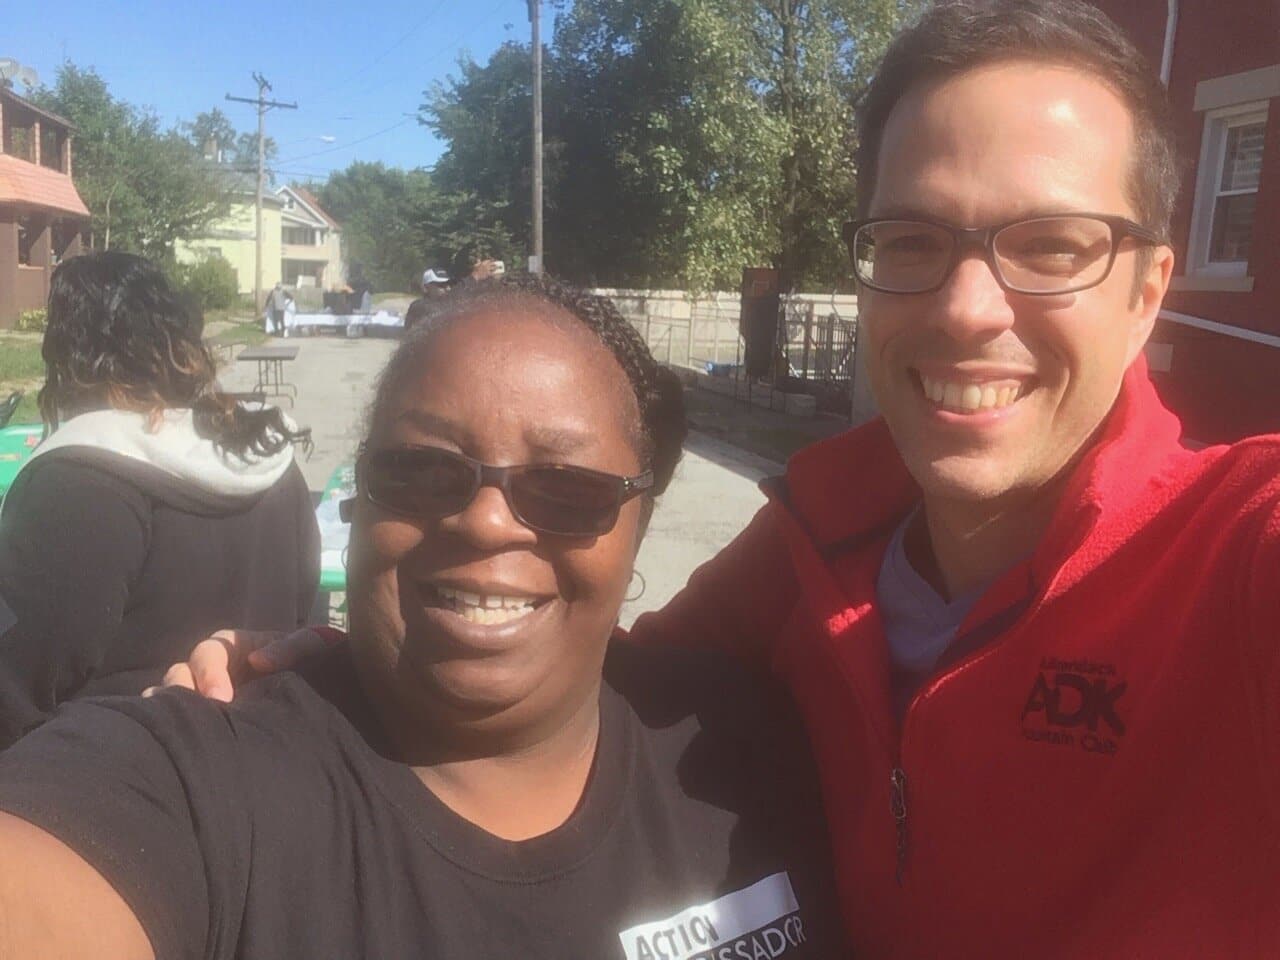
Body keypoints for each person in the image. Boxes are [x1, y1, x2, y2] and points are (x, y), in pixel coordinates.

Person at [173, 2, 1280, 955]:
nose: (963, 307)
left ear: (1144, 291)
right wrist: (361, 666)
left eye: (1051, 246)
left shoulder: (1229, 558)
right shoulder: (819, 543)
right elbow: (590, 684)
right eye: (910, 240)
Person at [0, 275, 848, 959]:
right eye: (420, 471)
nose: (485, 522)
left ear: (639, 524)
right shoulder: (192, 783)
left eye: (566, 488)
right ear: (361, 496)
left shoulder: (741, 737)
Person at [0, 252, 319, 749]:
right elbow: (301, 615)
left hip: (111, 780)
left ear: (66, 352)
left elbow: (15, 685)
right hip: (265, 759)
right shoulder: (269, 456)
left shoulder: (79, 477)